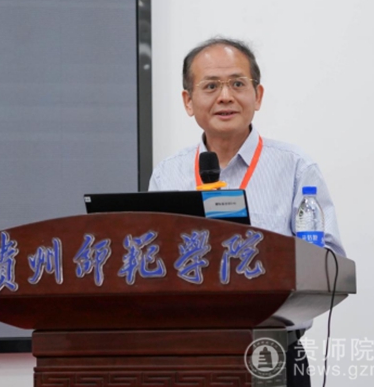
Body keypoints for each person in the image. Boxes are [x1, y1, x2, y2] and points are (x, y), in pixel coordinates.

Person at [148, 38, 346, 387]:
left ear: (258, 95)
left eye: (238, 84)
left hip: (273, 349)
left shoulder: (296, 168)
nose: (225, 96)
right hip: (188, 353)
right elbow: (151, 264)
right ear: (188, 101)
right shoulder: (169, 174)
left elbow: (329, 266)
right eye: (211, 86)